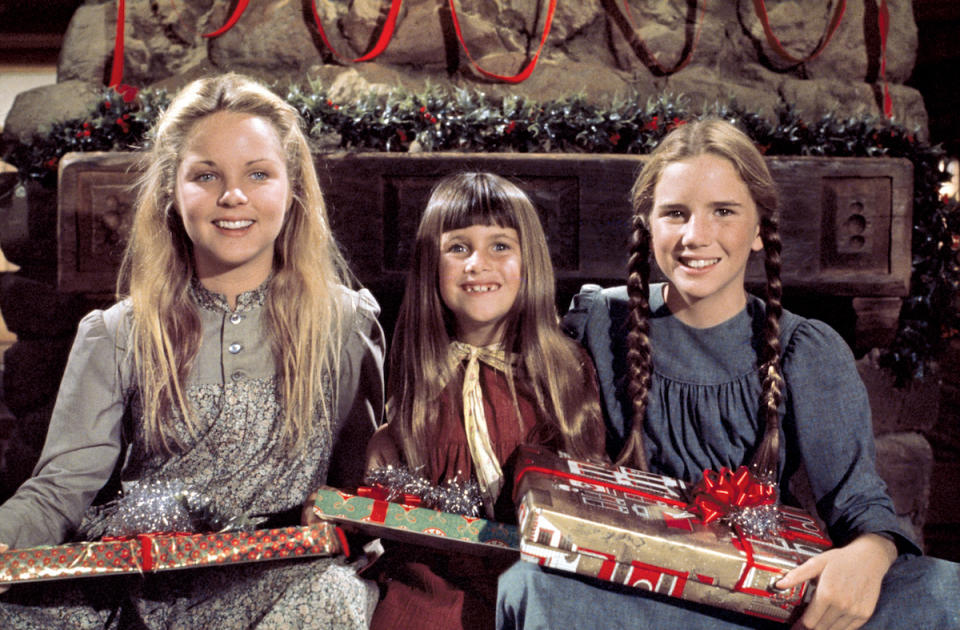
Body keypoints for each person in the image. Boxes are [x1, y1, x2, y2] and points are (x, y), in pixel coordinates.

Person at [496, 118, 960, 630]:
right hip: (644, 595)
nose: (698, 236)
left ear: (759, 228)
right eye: (675, 213)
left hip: (769, 594)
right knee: (532, 585)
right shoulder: (600, 323)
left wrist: (869, 555)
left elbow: (859, 502)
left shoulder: (805, 349)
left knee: (945, 591)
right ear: (647, 224)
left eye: (723, 212)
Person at [0, 72, 385, 628]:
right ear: (170, 191)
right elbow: (59, 490)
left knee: (330, 595)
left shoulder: (346, 323)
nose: (234, 196)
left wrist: (342, 524)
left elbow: (356, 484)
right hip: (142, 579)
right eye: (206, 175)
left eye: (259, 174)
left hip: (285, 579)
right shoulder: (117, 332)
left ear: (292, 188)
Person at [363, 172, 608, 629]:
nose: (478, 263)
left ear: (528, 260)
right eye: (458, 248)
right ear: (430, 266)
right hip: (429, 586)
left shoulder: (561, 370)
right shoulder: (423, 372)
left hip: (534, 587)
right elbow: (390, 480)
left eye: (500, 246)